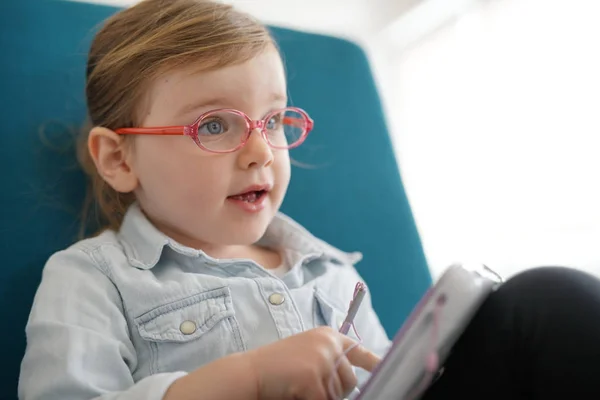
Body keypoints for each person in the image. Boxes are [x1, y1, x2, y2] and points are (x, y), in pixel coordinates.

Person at [18, 0, 600, 399]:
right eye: (215, 126)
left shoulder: (332, 273)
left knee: (547, 299)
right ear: (119, 159)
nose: (259, 152)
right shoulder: (92, 279)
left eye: (272, 122)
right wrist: (248, 378)